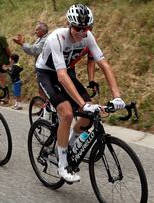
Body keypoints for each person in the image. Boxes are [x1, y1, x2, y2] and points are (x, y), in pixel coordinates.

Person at [35, 4, 126, 182]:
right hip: (47, 73)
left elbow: (104, 65)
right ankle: (62, 165)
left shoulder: (87, 36)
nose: (81, 32)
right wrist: (83, 103)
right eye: (78, 28)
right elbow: (60, 76)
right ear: (70, 24)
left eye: (86, 28)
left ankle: (66, 146)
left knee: (87, 116)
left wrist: (117, 96)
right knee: (67, 113)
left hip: (65, 72)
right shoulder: (57, 37)